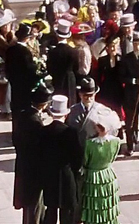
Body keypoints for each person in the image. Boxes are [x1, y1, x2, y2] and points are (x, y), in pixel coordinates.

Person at [12, 83, 52, 224]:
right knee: (35, 205)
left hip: (23, 165)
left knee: (28, 204)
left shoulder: (23, 115)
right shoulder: (36, 123)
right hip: (34, 170)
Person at [40, 95, 83, 224]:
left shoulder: (44, 131)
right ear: (66, 114)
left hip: (49, 176)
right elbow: (78, 158)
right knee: (67, 212)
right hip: (67, 176)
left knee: (50, 210)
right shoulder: (71, 132)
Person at [80, 108, 122, 224]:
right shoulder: (116, 141)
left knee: (94, 205)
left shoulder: (90, 144)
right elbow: (113, 158)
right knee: (106, 205)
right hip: (108, 175)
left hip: (93, 177)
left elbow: (85, 161)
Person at [6, 23, 40, 121]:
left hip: (14, 82)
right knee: (24, 108)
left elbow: (7, 66)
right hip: (24, 84)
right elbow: (30, 69)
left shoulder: (10, 49)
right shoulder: (25, 52)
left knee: (15, 106)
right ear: (27, 38)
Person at [47, 19, 80, 107]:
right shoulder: (74, 51)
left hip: (57, 78)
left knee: (58, 101)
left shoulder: (52, 51)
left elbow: (49, 68)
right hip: (69, 78)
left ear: (57, 36)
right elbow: (76, 68)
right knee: (70, 101)